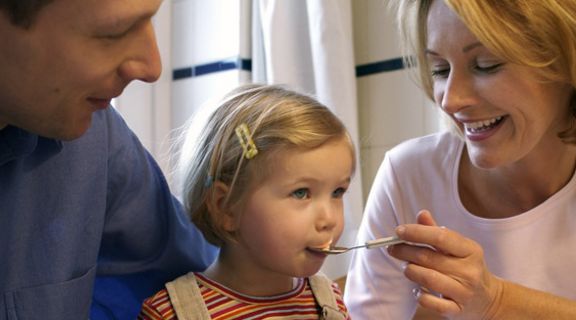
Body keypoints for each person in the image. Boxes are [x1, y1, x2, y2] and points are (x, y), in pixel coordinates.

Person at [344, 0, 576, 319]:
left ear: (569, 61)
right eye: (440, 69)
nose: (452, 100)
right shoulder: (408, 175)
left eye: (486, 64)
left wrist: (497, 301)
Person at [0, 0, 217, 319]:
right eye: (114, 32)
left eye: (150, 21)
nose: (152, 66)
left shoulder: (89, 137)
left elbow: (214, 278)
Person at [138, 84, 355, 320]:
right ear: (226, 207)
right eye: (301, 193)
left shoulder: (330, 301)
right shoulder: (171, 314)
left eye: (337, 192)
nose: (329, 219)